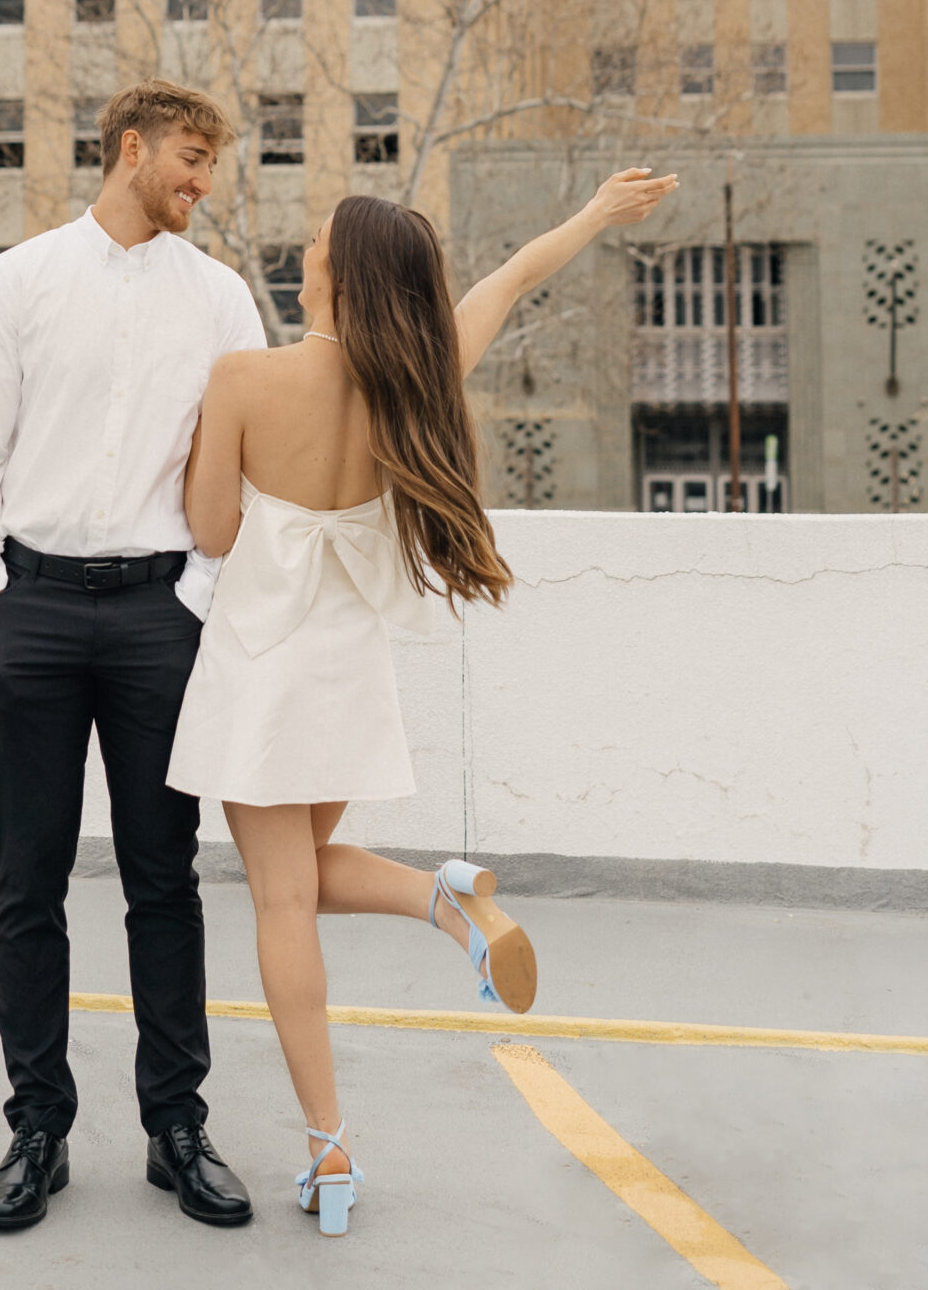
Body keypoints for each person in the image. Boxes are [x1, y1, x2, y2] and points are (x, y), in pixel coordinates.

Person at [168, 167, 678, 1236]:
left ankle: (332, 1143)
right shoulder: (420, 376)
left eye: (317, 243)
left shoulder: (243, 377)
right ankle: (443, 900)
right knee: (297, 879)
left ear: (336, 275)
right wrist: (591, 213)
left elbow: (211, 531)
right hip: (349, 672)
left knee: (280, 901)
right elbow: (514, 277)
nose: (306, 251)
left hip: (260, 669)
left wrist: (202, 466)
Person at [0, 80, 266, 1236]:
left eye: (211, 163)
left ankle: (176, 1125)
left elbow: (252, 468)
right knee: (27, 879)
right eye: (188, 157)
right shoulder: (20, 281)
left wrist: (194, 597)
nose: (202, 181)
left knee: (163, 879)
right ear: (129, 149)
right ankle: (39, 1125)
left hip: (155, 619)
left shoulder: (223, 300)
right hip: (28, 605)